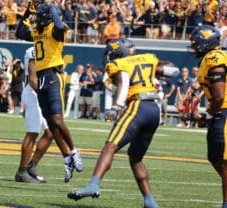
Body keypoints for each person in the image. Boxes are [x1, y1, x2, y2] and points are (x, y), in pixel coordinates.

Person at [68, 38, 180, 208]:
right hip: (154, 110)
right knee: (135, 158)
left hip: (138, 106)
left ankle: (94, 184)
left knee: (110, 146)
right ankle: (149, 200)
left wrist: (116, 106)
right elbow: (173, 71)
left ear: (119, 52)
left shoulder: (118, 64)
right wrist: (154, 66)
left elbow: (124, 81)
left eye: (111, 53)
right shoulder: (148, 58)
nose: (109, 57)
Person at [16, 0, 83, 183]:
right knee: (45, 128)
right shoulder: (38, 35)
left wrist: (48, 11)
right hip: (38, 85)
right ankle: (25, 169)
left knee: (54, 126)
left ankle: (68, 155)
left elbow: (59, 27)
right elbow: (20, 32)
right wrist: (28, 13)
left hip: (49, 78)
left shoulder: (50, 31)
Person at [189, 25, 227, 208]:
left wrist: (210, 113)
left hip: (224, 111)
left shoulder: (215, 58)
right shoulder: (209, 58)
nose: (194, 46)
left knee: (224, 160)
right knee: (214, 157)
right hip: (219, 111)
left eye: (196, 43)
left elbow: (219, 96)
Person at [15, 47, 54, 183]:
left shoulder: (52, 49)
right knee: (32, 133)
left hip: (41, 94)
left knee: (50, 132)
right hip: (33, 94)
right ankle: (22, 171)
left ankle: (32, 166)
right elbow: (33, 78)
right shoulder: (34, 50)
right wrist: (46, 94)